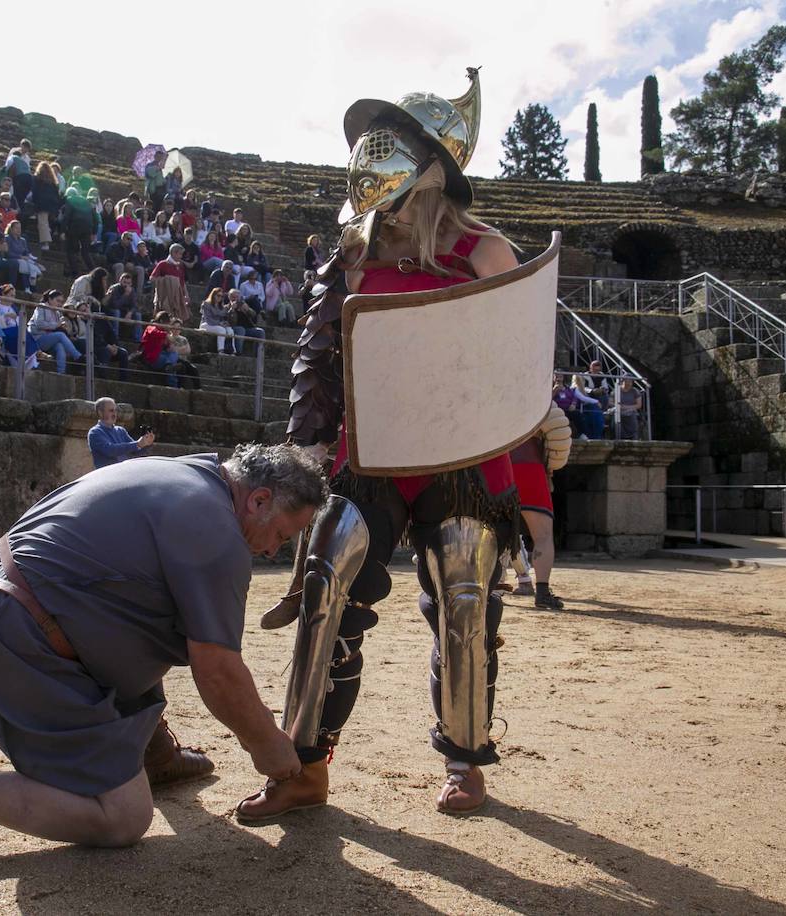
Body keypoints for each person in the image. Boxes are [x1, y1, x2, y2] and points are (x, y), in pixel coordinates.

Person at [239, 69, 530, 822]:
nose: (377, 157)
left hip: (465, 461)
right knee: (324, 582)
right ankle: (302, 765)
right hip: (368, 457)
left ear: (431, 167)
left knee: (464, 594)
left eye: (397, 145)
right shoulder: (351, 255)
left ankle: (465, 762)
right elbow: (315, 358)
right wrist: (307, 458)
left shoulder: (486, 251)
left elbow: (517, 366)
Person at [0, 442, 323, 855]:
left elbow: (122, 602)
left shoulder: (183, 472)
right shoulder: (218, 535)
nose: (273, 551)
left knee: (142, 610)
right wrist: (272, 751)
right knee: (122, 819)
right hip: (20, 641)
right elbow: (218, 673)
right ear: (258, 499)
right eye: (282, 535)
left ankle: (150, 753)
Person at [507, 408, 573, 608]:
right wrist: (551, 466)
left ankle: (485, 590)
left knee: (492, 537)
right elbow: (559, 437)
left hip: (499, 468)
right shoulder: (538, 396)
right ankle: (542, 592)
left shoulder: (492, 392)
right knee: (542, 536)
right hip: (530, 468)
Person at [86, 397, 153, 468]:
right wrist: (138, 444)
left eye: (115, 411)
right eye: (111, 411)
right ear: (100, 412)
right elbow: (110, 450)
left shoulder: (120, 431)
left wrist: (146, 443)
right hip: (107, 475)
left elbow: (135, 451)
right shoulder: (95, 432)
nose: (114, 414)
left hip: (124, 473)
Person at [28, 289, 82, 374]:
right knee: (60, 335)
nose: (60, 304)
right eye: (58, 301)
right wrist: (56, 325)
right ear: (50, 299)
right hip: (36, 339)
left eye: (61, 302)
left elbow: (55, 328)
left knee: (60, 346)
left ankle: (61, 372)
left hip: (48, 339)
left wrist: (61, 327)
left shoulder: (57, 313)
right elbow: (39, 323)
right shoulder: (42, 307)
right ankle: (77, 356)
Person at [138, 311, 181, 387]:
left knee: (174, 354)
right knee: (168, 363)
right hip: (150, 356)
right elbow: (154, 332)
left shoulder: (164, 331)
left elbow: (166, 346)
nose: (169, 326)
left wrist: (169, 346)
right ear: (161, 321)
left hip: (161, 355)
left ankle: (169, 366)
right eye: (168, 323)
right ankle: (172, 382)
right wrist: (166, 335)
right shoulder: (151, 327)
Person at [150, 245, 189, 322]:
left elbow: (182, 282)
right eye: (180, 254)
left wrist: (186, 295)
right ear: (173, 253)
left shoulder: (180, 266)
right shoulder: (163, 264)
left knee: (177, 318)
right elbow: (152, 278)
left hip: (177, 296)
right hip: (165, 296)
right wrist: (168, 280)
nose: (181, 256)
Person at [574, 360, 610, 440]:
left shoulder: (602, 376)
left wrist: (602, 390)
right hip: (589, 396)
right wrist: (592, 391)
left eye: (597, 370)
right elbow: (583, 388)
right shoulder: (585, 376)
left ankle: (601, 412)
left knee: (604, 397)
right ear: (590, 368)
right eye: (594, 370)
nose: (596, 372)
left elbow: (605, 387)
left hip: (598, 396)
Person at [103, 271, 141, 340]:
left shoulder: (132, 291)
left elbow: (135, 305)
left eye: (128, 283)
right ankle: (115, 337)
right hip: (112, 310)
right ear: (120, 281)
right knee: (117, 312)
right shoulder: (114, 289)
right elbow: (115, 305)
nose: (126, 285)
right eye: (124, 282)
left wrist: (130, 313)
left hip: (125, 311)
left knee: (137, 315)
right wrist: (125, 295)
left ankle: (137, 338)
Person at [32, 161, 61, 250]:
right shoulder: (53, 182)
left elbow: (35, 192)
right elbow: (57, 194)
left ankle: (46, 243)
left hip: (42, 204)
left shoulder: (37, 179)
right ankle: (48, 233)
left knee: (43, 223)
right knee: (46, 222)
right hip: (52, 205)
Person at [199, 288, 235, 355]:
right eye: (218, 295)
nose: (220, 298)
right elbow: (208, 319)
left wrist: (231, 310)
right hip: (206, 324)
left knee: (230, 330)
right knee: (221, 330)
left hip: (217, 324)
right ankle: (220, 351)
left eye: (221, 296)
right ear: (213, 295)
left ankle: (231, 351)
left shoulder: (221, 306)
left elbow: (224, 316)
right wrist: (220, 323)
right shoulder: (206, 304)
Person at [167, 318, 201, 390]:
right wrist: (182, 349)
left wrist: (177, 349)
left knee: (194, 369)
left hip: (184, 360)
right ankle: (180, 387)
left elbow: (188, 351)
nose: (176, 329)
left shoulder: (184, 339)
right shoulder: (169, 338)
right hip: (175, 359)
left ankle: (198, 388)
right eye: (174, 327)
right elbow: (172, 350)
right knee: (181, 367)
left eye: (178, 327)